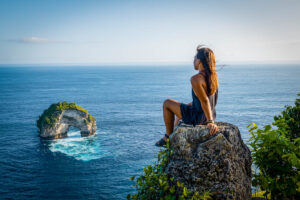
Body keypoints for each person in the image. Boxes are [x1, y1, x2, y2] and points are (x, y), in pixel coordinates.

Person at [155, 46, 219, 147]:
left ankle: (167, 137)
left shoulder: (196, 78)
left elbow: (205, 101)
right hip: (208, 115)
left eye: (194, 58)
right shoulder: (213, 78)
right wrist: (210, 119)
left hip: (199, 118)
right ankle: (172, 138)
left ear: (199, 60)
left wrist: (210, 122)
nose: (193, 61)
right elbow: (205, 100)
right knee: (179, 114)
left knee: (167, 103)